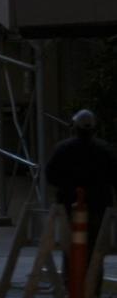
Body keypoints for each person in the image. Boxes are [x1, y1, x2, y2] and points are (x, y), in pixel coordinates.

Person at [45, 108, 117, 287]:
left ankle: (71, 286)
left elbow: (51, 176)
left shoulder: (63, 149)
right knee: (95, 250)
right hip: (98, 208)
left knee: (70, 248)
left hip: (69, 208)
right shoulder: (104, 150)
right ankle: (93, 288)